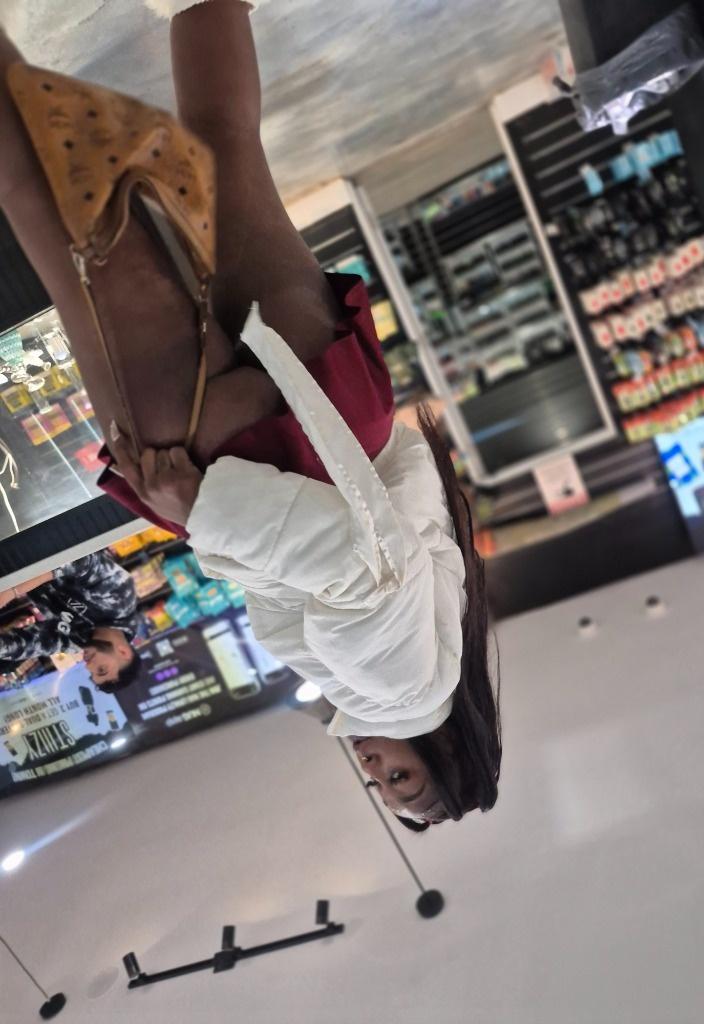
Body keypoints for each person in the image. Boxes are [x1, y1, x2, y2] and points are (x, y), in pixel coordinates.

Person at [0, 0, 501, 828]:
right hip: (231, 459)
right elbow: (356, 563)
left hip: (335, 408)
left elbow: (404, 501)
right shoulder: (402, 689)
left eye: (381, 789)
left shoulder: (450, 637)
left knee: (225, 144)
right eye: (404, 779)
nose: (375, 771)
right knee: (58, 215)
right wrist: (206, 509)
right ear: (447, 749)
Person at [0, 551, 141, 691]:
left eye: (91, 673)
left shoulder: (79, 641)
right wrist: (13, 591)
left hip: (10, 567)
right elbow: (78, 558)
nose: (88, 666)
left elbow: (31, 644)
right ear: (123, 652)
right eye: (101, 669)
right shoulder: (121, 599)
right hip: (32, 546)